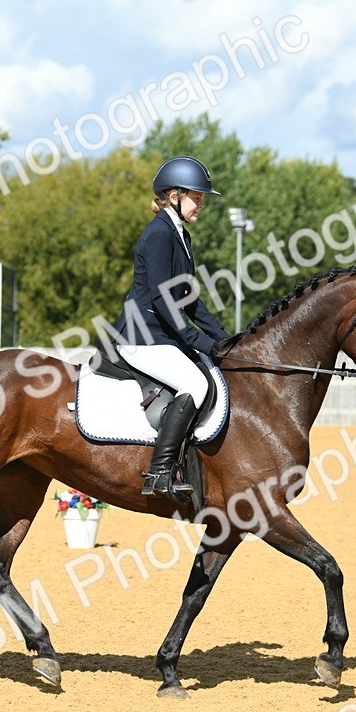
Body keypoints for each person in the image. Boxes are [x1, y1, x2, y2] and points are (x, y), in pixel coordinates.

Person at [113, 156, 230, 503]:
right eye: (197, 196)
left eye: (202, 197)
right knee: (195, 382)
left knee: (207, 371)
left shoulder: (181, 236)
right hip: (142, 336)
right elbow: (164, 302)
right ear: (174, 194)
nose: (201, 204)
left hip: (161, 335)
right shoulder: (159, 234)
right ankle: (160, 471)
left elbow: (189, 299)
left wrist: (225, 339)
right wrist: (201, 343)